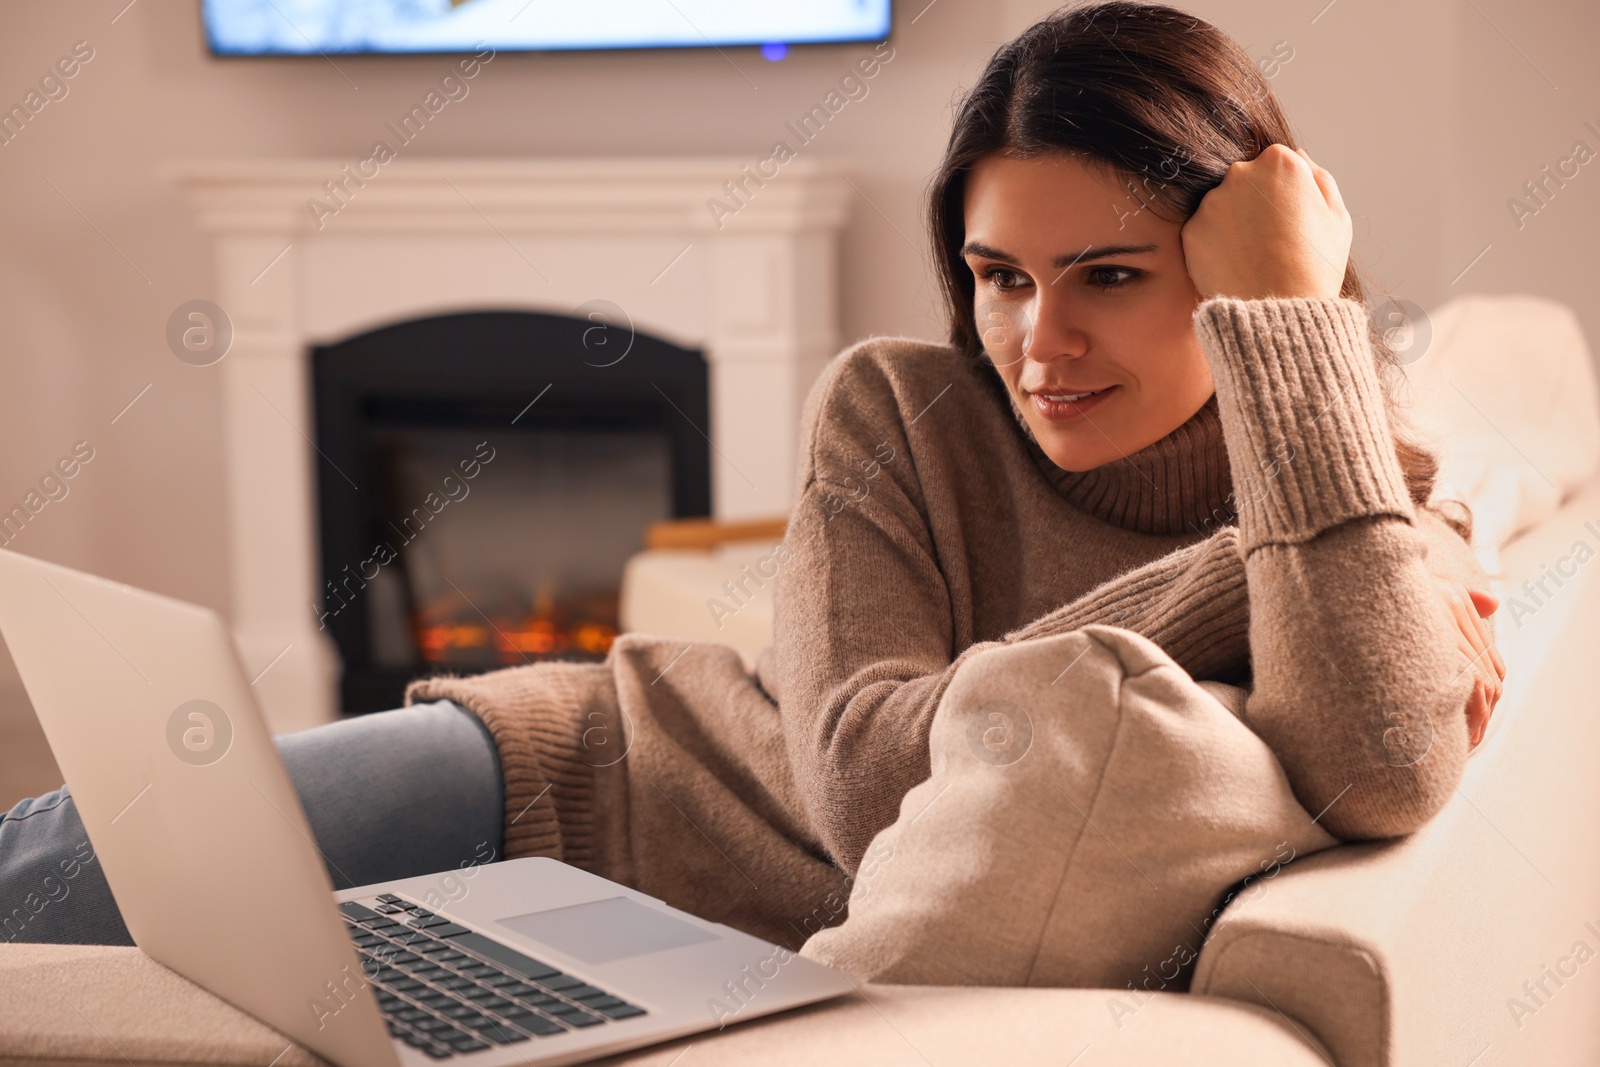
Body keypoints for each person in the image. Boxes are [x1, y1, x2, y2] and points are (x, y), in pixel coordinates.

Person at [0, 0, 1504, 951]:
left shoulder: (1342, 466)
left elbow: (1378, 762)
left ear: (1244, 279)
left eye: (1107, 274)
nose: (1038, 341)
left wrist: (1300, 357)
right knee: (62, 866)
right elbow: (860, 777)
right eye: (996, 277)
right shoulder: (904, 411)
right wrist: (1238, 574)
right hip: (570, 780)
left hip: (670, 938)